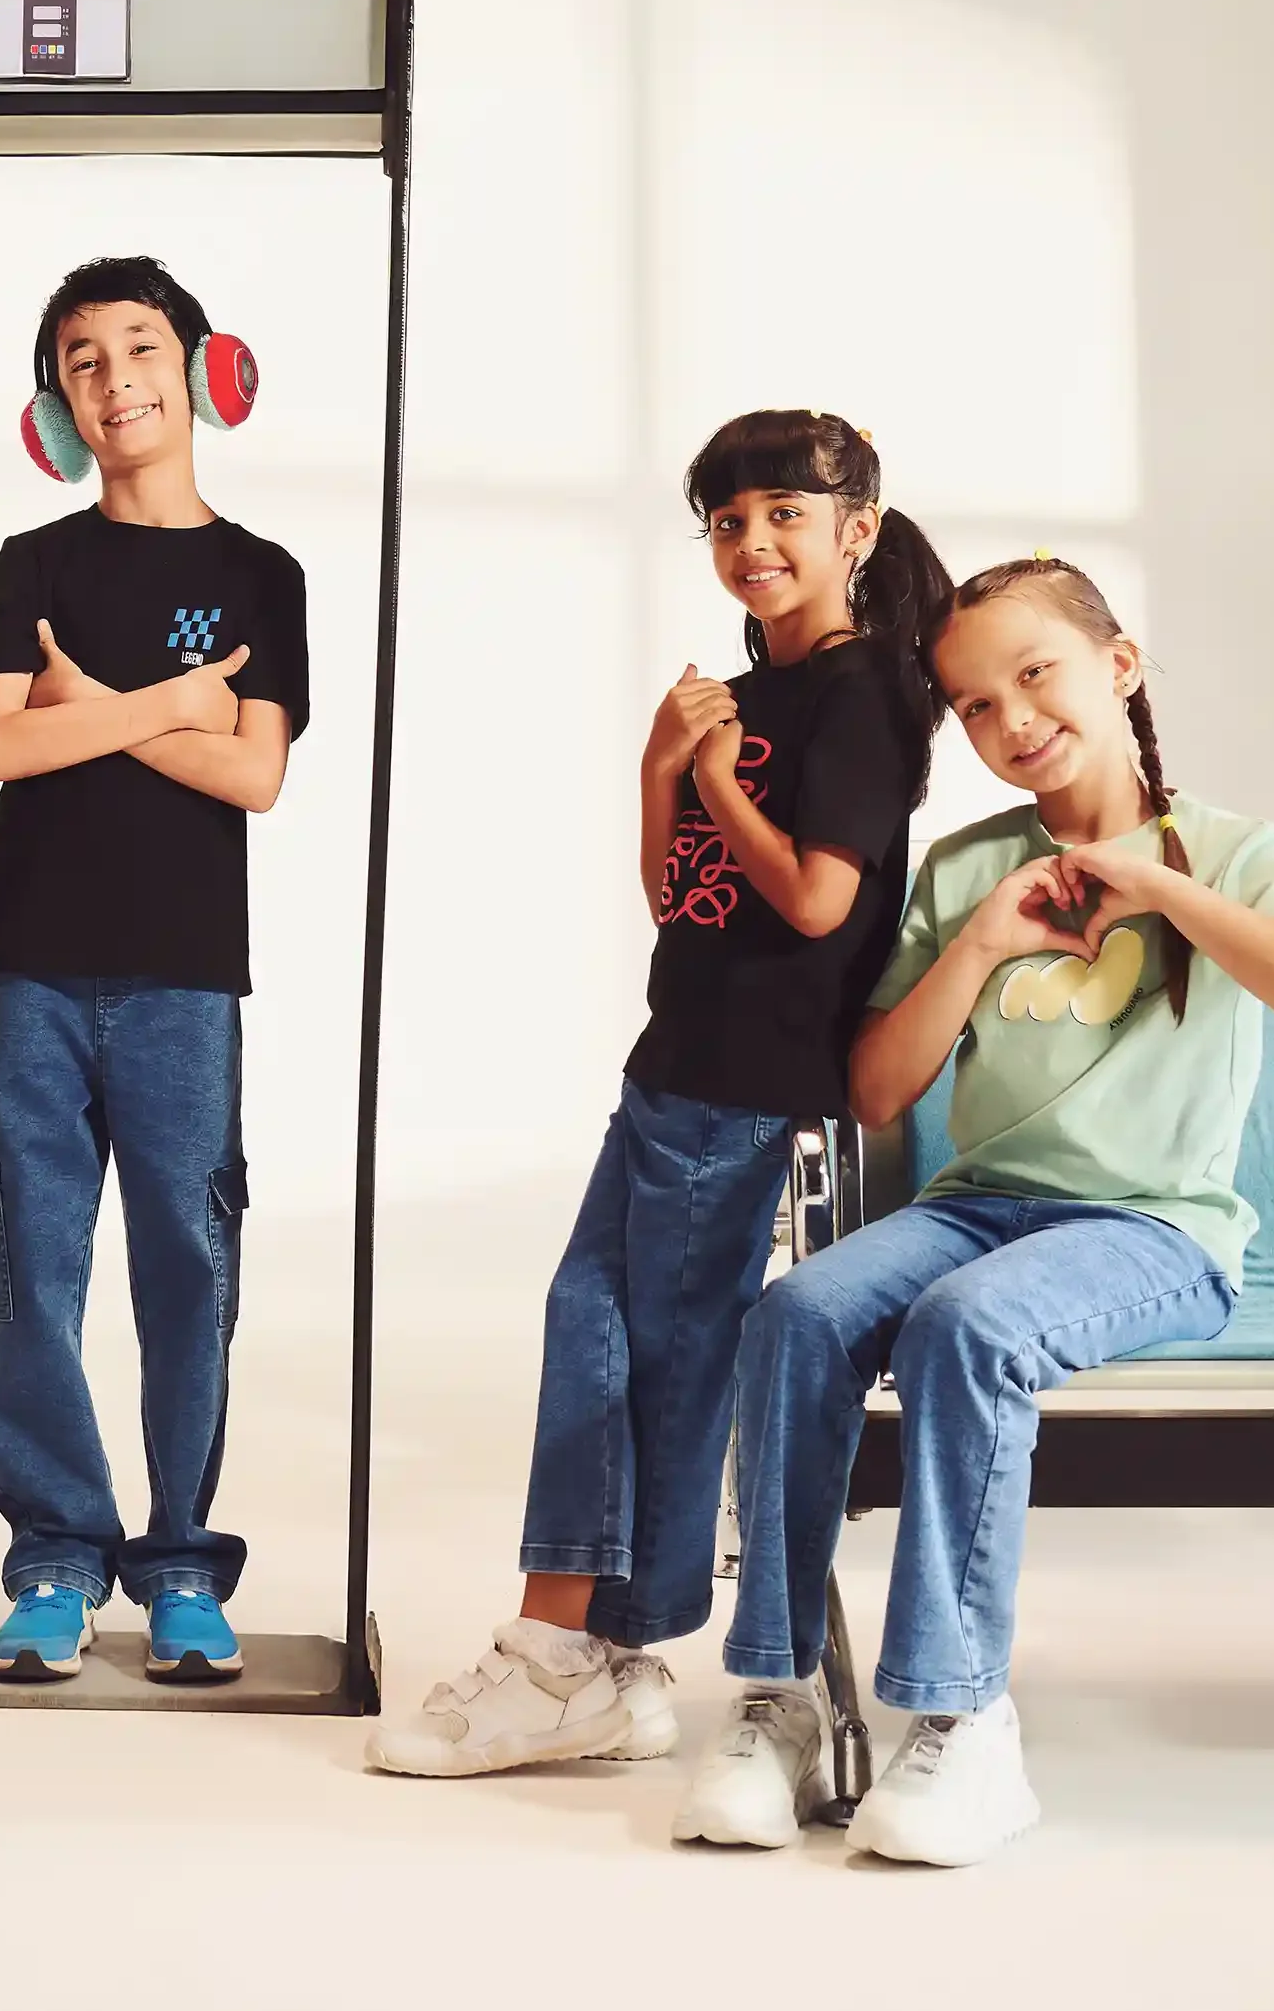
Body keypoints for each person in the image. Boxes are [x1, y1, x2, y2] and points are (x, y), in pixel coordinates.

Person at [679, 555, 1274, 1864]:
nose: (1011, 721)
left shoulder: (1234, 851)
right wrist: (985, 936)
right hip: (980, 1203)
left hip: (1154, 1227)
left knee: (966, 1328)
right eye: (976, 705)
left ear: (1118, 666)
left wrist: (1159, 885)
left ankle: (959, 1717)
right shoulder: (968, 863)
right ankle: (780, 1694)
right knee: (794, 1313)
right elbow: (880, 1088)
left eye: (1036, 675)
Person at [369, 413, 948, 1777]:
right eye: (730, 520)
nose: (753, 542)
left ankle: (573, 1648)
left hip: (749, 1089)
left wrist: (708, 775)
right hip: (672, 1065)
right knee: (600, 1329)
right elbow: (676, 899)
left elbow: (814, 897)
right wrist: (658, 770)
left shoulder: (865, 695)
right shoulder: (747, 689)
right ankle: (591, 1655)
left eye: (784, 516)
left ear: (855, 527)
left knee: (658, 1361)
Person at [0, 257, 307, 1684]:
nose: (117, 380)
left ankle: (177, 1565)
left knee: (186, 1261)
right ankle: (54, 1556)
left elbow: (256, 774)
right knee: (30, 1268)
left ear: (205, 367)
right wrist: (175, 701)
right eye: (84, 360)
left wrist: (94, 706)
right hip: (25, 968)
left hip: (181, 979)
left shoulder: (259, 575)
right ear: (60, 399)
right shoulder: (32, 562)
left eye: (140, 346)